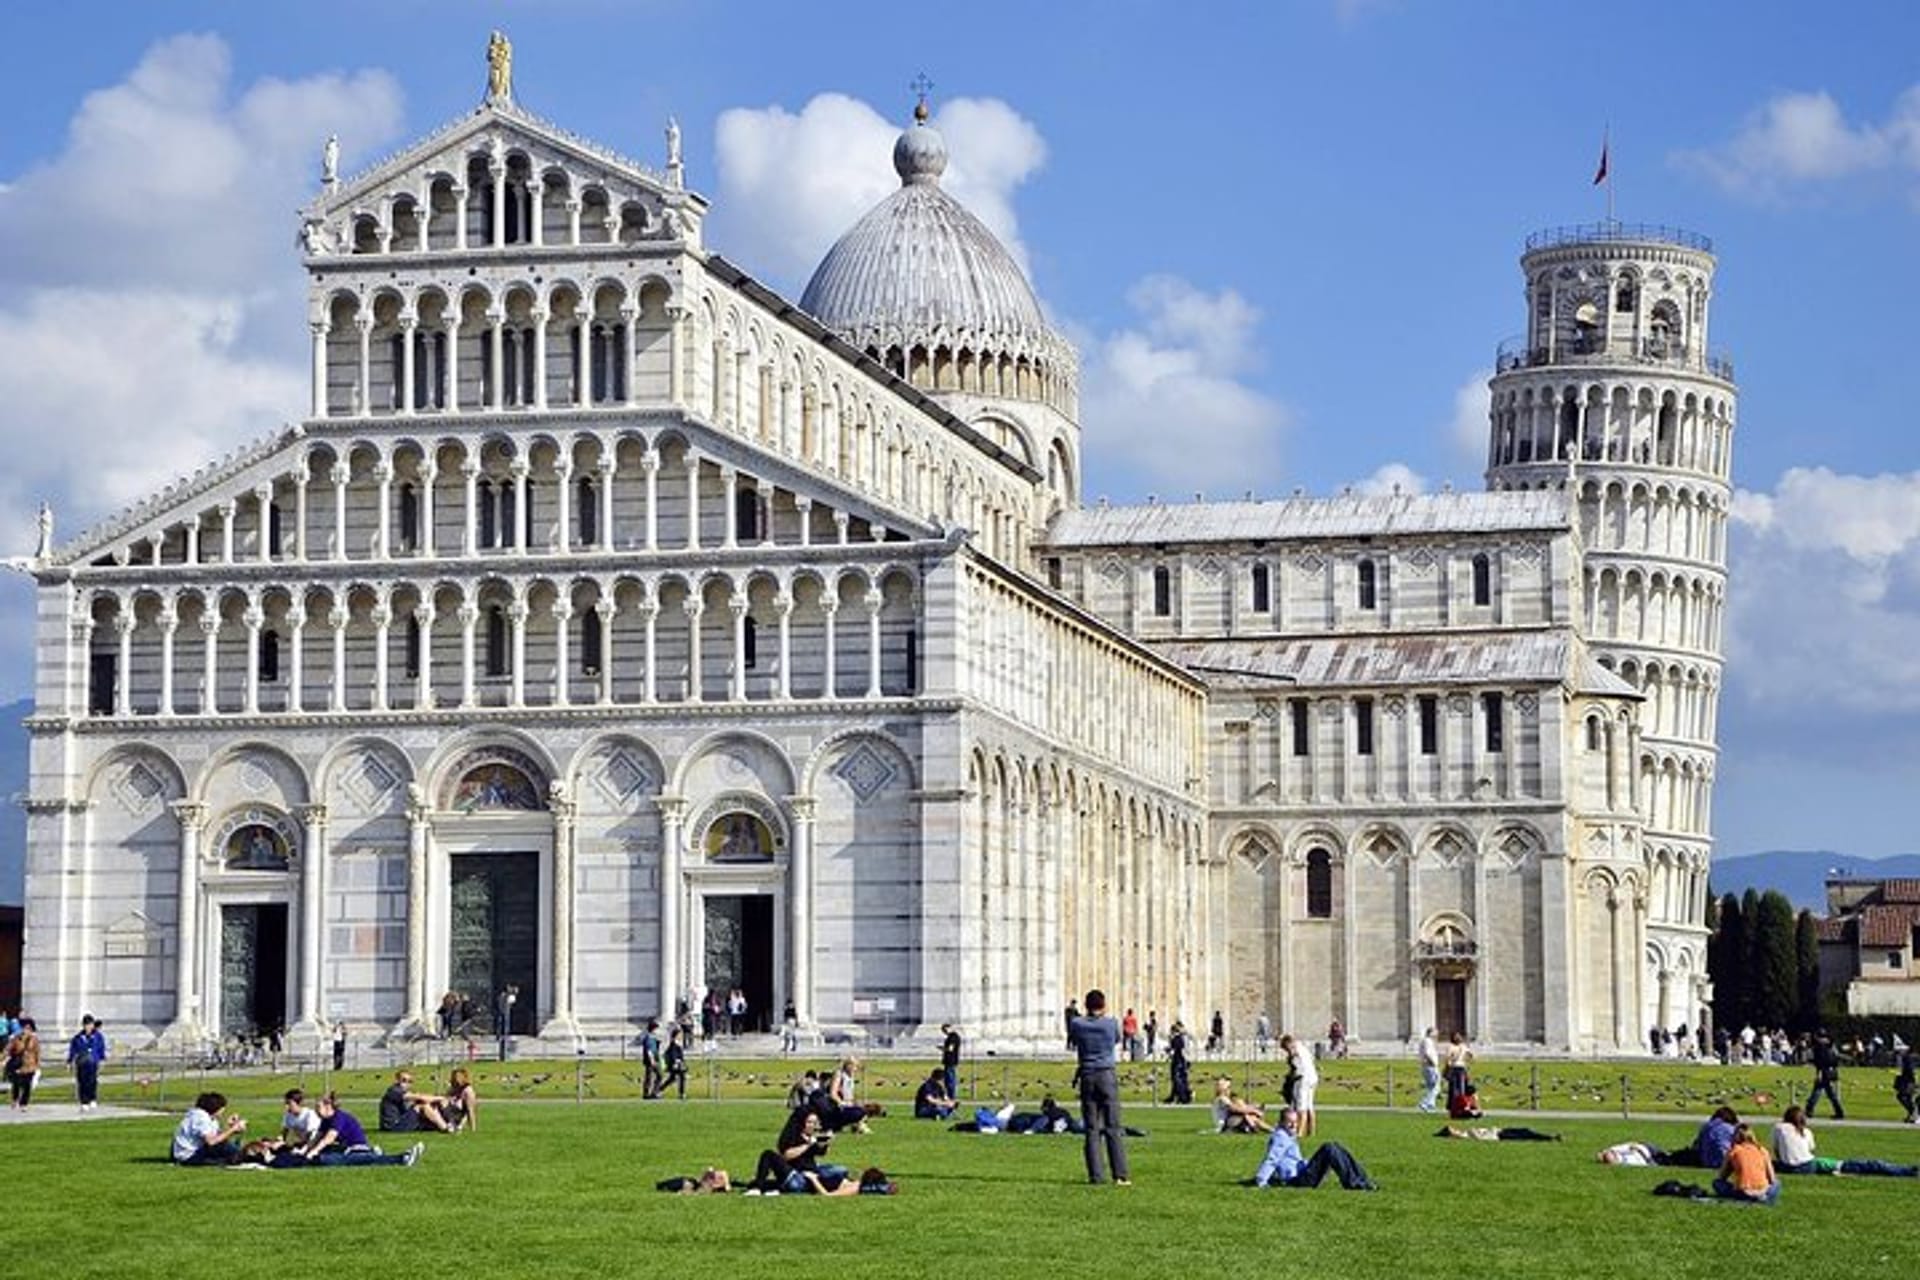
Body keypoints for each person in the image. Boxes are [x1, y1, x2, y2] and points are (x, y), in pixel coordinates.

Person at [1067, 988, 1130, 1186]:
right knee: (1112, 1126)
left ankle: (1096, 1175)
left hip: (1087, 1075)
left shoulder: (1077, 1024)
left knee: (1092, 1129)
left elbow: (1074, 1041)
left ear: (1086, 1006)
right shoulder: (1111, 1024)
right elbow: (1117, 1040)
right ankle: (1120, 1175)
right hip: (1106, 1074)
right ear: (1103, 1006)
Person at [1771, 1105, 1917, 1177]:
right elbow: (1810, 1150)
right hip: (1808, 1165)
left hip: (1787, 1167)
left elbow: (1777, 1151)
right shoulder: (1806, 1131)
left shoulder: (1778, 1128)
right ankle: (1906, 1171)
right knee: (1860, 1164)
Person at [1251, 1109, 1376, 1190]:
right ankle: (1354, 1183)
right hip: (1297, 1181)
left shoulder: (1288, 1136)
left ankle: (1362, 1179)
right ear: (1281, 1122)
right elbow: (1272, 1158)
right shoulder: (1281, 1137)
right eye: (1289, 1122)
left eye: (1295, 1122)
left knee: (1335, 1146)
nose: (1294, 1125)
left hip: (1302, 1173)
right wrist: (1261, 1180)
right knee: (1329, 1148)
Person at [302, 1092, 421, 1167]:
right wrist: (305, 1150)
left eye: (318, 1107)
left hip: (354, 1148)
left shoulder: (338, 1117)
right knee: (325, 1158)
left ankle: (401, 1158)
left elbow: (329, 1138)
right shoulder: (325, 1120)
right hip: (343, 1148)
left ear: (328, 1106)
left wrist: (314, 1151)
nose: (316, 1110)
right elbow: (317, 1137)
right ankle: (373, 1153)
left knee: (333, 1160)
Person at [171, 1092, 247, 1166]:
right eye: (222, 1109)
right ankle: (240, 1155)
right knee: (228, 1150)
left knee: (227, 1148)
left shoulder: (210, 1118)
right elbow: (211, 1141)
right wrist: (233, 1129)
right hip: (188, 1156)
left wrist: (229, 1126)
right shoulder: (200, 1117)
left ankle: (238, 1154)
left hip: (194, 1151)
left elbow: (217, 1137)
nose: (222, 1112)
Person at [1713, 1123, 1778, 1205]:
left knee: (1717, 1183)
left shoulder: (1733, 1151)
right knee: (1777, 1184)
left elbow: (1721, 1177)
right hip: (1763, 1191)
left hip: (1743, 1192)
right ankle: (1763, 1197)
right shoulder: (1762, 1150)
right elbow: (1772, 1179)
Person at [378, 1069, 452, 1133]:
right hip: (393, 1126)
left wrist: (437, 1101)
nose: (407, 1083)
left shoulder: (404, 1092)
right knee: (422, 1106)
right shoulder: (395, 1090)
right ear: (397, 1080)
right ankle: (445, 1128)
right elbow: (422, 1098)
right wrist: (442, 1098)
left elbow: (419, 1099)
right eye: (404, 1080)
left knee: (428, 1105)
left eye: (410, 1081)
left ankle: (449, 1124)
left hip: (401, 1121)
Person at [66, 1014, 107, 1112]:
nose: (88, 1027)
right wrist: (69, 1061)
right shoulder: (78, 1037)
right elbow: (73, 1050)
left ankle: (92, 1098)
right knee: (82, 1082)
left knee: (92, 1081)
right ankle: (84, 1101)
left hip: (93, 1061)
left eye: (90, 1025)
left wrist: (102, 1060)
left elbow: (101, 1048)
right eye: (86, 1025)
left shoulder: (98, 1036)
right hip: (81, 1062)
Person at [1281, 1033, 1319, 1137]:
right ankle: (1311, 1132)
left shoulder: (1294, 1049)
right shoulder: (1303, 1047)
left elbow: (1295, 1064)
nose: (1286, 1051)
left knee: (1300, 1107)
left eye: (1285, 1048)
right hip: (1313, 1077)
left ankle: (1299, 1133)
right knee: (1309, 1106)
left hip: (1303, 1078)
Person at [5, 1016, 41, 1111]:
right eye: (25, 1028)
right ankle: (15, 1099)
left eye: (29, 1028)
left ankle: (24, 1104)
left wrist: (37, 1065)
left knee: (27, 1086)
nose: (26, 1030)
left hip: (30, 1065)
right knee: (16, 1083)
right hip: (18, 1065)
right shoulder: (16, 1038)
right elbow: (8, 1049)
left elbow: (37, 1052)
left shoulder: (34, 1039)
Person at [1807, 1030, 1845, 1119]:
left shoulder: (1818, 1047)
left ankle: (1809, 1110)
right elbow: (1835, 1058)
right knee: (1830, 1094)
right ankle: (1839, 1112)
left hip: (1823, 1072)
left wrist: (1819, 1072)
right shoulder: (1831, 1045)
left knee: (1817, 1092)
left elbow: (1820, 1061)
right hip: (1831, 1072)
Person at [826, 1057, 870, 1132]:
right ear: (849, 1066)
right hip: (839, 1107)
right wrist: (841, 1103)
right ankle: (854, 1125)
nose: (856, 1069)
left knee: (864, 1110)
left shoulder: (851, 1077)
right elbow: (833, 1093)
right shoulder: (839, 1075)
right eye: (855, 1066)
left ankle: (856, 1125)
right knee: (860, 1112)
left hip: (849, 1105)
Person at [1444, 1032, 1477, 1118]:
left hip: (1455, 1069)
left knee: (1454, 1090)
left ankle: (1455, 1109)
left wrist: (1447, 1067)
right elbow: (1472, 1056)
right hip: (1461, 1069)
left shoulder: (1451, 1047)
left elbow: (1447, 1060)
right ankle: (1460, 1108)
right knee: (1460, 1089)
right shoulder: (1463, 1047)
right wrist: (1466, 1062)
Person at [442, 1067, 479, 1132]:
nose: (455, 1078)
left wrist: (473, 1129)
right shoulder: (453, 1088)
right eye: (454, 1076)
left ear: (464, 1077)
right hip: (449, 1114)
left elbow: (471, 1111)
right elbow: (446, 1099)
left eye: (458, 1076)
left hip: (458, 1115)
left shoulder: (468, 1091)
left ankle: (454, 1125)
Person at [1415, 1027, 1442, 1113]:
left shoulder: (1426, 1041)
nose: (1437, 1034)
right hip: (1430, 1066)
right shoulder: (1427, 1041)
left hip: (1427, 1065)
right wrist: (1433, 1062)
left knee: (1431, 1086)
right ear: (1431, 1033)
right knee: (1436, 1087)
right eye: (1436, 1032)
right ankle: (1424, 1103)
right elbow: (1427, 1053)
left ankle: (1431, 1105)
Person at [1165, 1020, 1193, 1104]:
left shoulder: (1178, 1038)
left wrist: (1169, 1050)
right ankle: (1174, 1096)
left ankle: (1183, 1097)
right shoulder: (1181, 1037)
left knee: (1178, 1080)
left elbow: (1177, 1050)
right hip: (1180, 1061)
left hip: (1179, 1061)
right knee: (1178, 1079)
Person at [1437, 1124, 1560, 1142]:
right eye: (1452, 1129)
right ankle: (1550, 1138)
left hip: (1500, 1131)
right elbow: (1481, 1137)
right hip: (1499, 1135)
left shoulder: (1465, 1133)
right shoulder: (1464, 1136)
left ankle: (1550, 1137)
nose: (1455, 1129)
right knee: (1525, 1136)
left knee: (1526, 1131)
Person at [657, 1167, 732, 1194]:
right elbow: (724, 1173)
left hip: (696, 1186)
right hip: (695, 1184)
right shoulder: (718, 1177)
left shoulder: (711, 1188)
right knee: (684, 1182)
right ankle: (662, 1185)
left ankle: (662, 1186)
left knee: (684, 1184)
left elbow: (724, 1174)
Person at [662, 1025, 688, 1099]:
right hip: (675, 1064)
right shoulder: (674, 1043)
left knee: (672, 1078)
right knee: (682, 1076)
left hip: (678, 1063)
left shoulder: (677, 1043)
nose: (681, 1036)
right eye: (680, 1034)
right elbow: (673, 1054)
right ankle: (682, 1093)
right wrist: (676, 1062)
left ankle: (660, 1090)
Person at [641, 1019, 664, 1099]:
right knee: (650, 1077)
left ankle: (653, 1092)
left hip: (654, 1059)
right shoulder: (648, 1038)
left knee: (658, 1076)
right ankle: (647, 1093)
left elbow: (655, 1049)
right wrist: (652, 1060)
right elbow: (649, 1051)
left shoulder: (653, 1038)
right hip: (651, 1060)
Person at [1896, 1044, 1918, 1124]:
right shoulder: (1904, 1059)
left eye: (1900, 1051)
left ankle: (1913, 1114)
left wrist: (1914, 1082)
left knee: (1903, 1097)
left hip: (1909, 1083)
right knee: (1906, 1098)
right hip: (1907, 1081)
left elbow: (1911, 1071)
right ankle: (1911, 1114)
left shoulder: (1907, 1059)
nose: (1899, 1052)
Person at [940, 1023, 962, 1100]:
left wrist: (943, 1048)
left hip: (950, 1061)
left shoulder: (953, 1037)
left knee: (950, 1080)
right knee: (949, 1080)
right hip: (951, 1061)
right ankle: (950, 1095)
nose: (944, 1032)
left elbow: (950, 1049)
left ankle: (951, 1096)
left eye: (945, 1030)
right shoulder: (953, 1036)